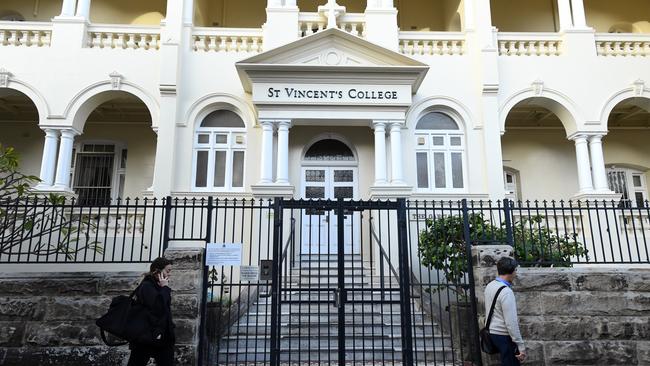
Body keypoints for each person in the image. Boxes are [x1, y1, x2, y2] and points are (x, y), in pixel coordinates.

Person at [127, 257, 176, 366]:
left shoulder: (159, 286)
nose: (170, 274)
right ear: (158, 271)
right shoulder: (147, 286)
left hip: (163, 336)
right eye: (168, 271)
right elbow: (158, 307)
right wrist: (165, 289)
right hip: (147, 336)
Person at [484, 257, 526, 365]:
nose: (516, 273)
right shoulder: (506, 292)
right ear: (511, 271)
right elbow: (511, 322)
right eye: (515, 270)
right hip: (503, 335)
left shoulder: (490, 285)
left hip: (492, 333)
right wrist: (520, 345)